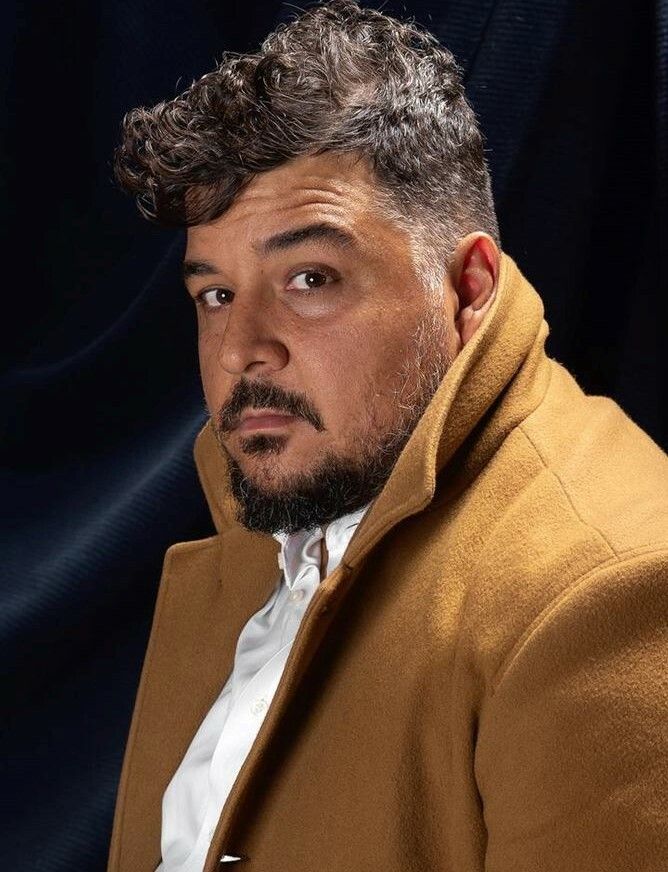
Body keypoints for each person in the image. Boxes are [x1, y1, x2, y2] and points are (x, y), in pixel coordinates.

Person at [107, 2, 668, 870]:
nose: (241, 348)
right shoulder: (281, 503)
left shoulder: (609, 594)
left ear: (467, 286)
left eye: (310, 278)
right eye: (215, 293)